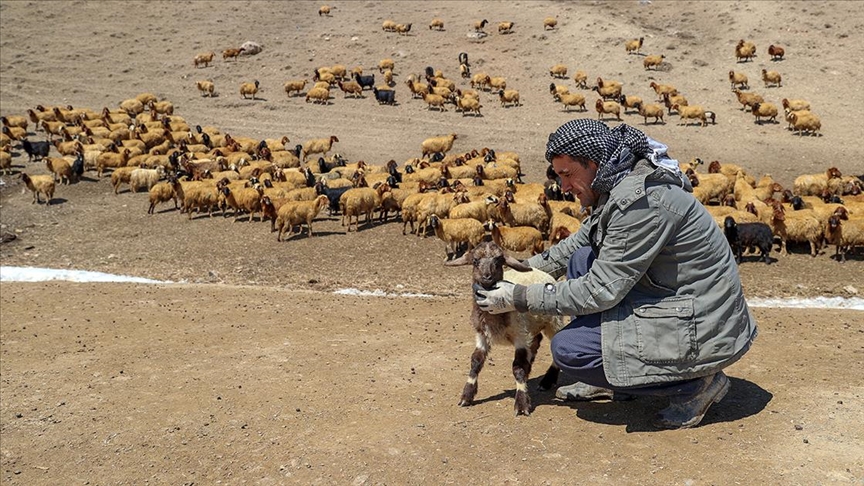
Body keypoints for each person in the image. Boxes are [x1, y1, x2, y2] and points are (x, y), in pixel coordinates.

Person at [474, 119, 758, 429]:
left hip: (703, 323)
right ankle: (616, 379)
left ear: (593, 163)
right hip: (675, 298)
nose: (564, 187)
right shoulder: (616, 182)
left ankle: (696, 386)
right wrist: (517, 270)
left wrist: (519, 296)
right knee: (583, 259)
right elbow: (579, 245)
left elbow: (600, 290)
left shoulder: (640, 202)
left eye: (568, 175)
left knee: (571, 351)